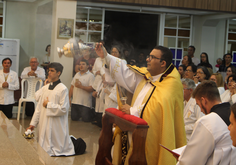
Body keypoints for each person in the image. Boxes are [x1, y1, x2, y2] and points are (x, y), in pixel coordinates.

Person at [95, 44, 186, 165]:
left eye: (152, 57)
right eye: (149, 56)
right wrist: (106, 56)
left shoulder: (172, 84)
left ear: (163, 63)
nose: (147, 59)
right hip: (132, 128)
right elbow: (124, 73)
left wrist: (132, 111)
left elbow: (159, 108)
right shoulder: (146, 76)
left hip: (152, 135)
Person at [27, 62, 86, 156]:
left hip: (56, 124)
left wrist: (49, 105)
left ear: (58, 73)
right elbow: (38, 108)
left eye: (52, 71)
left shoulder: (63, 89)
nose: (49, 72)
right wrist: (32, 124)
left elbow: (64, 108)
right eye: (48, 70)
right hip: (44, 122)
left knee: (58, 146)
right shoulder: (45, 88)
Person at [177, 80, 236, 165]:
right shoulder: (232, 112)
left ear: (204, 100)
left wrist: (181, 158)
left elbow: (191, 161)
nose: (200, 110)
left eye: (198, 104)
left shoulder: (207, 122)